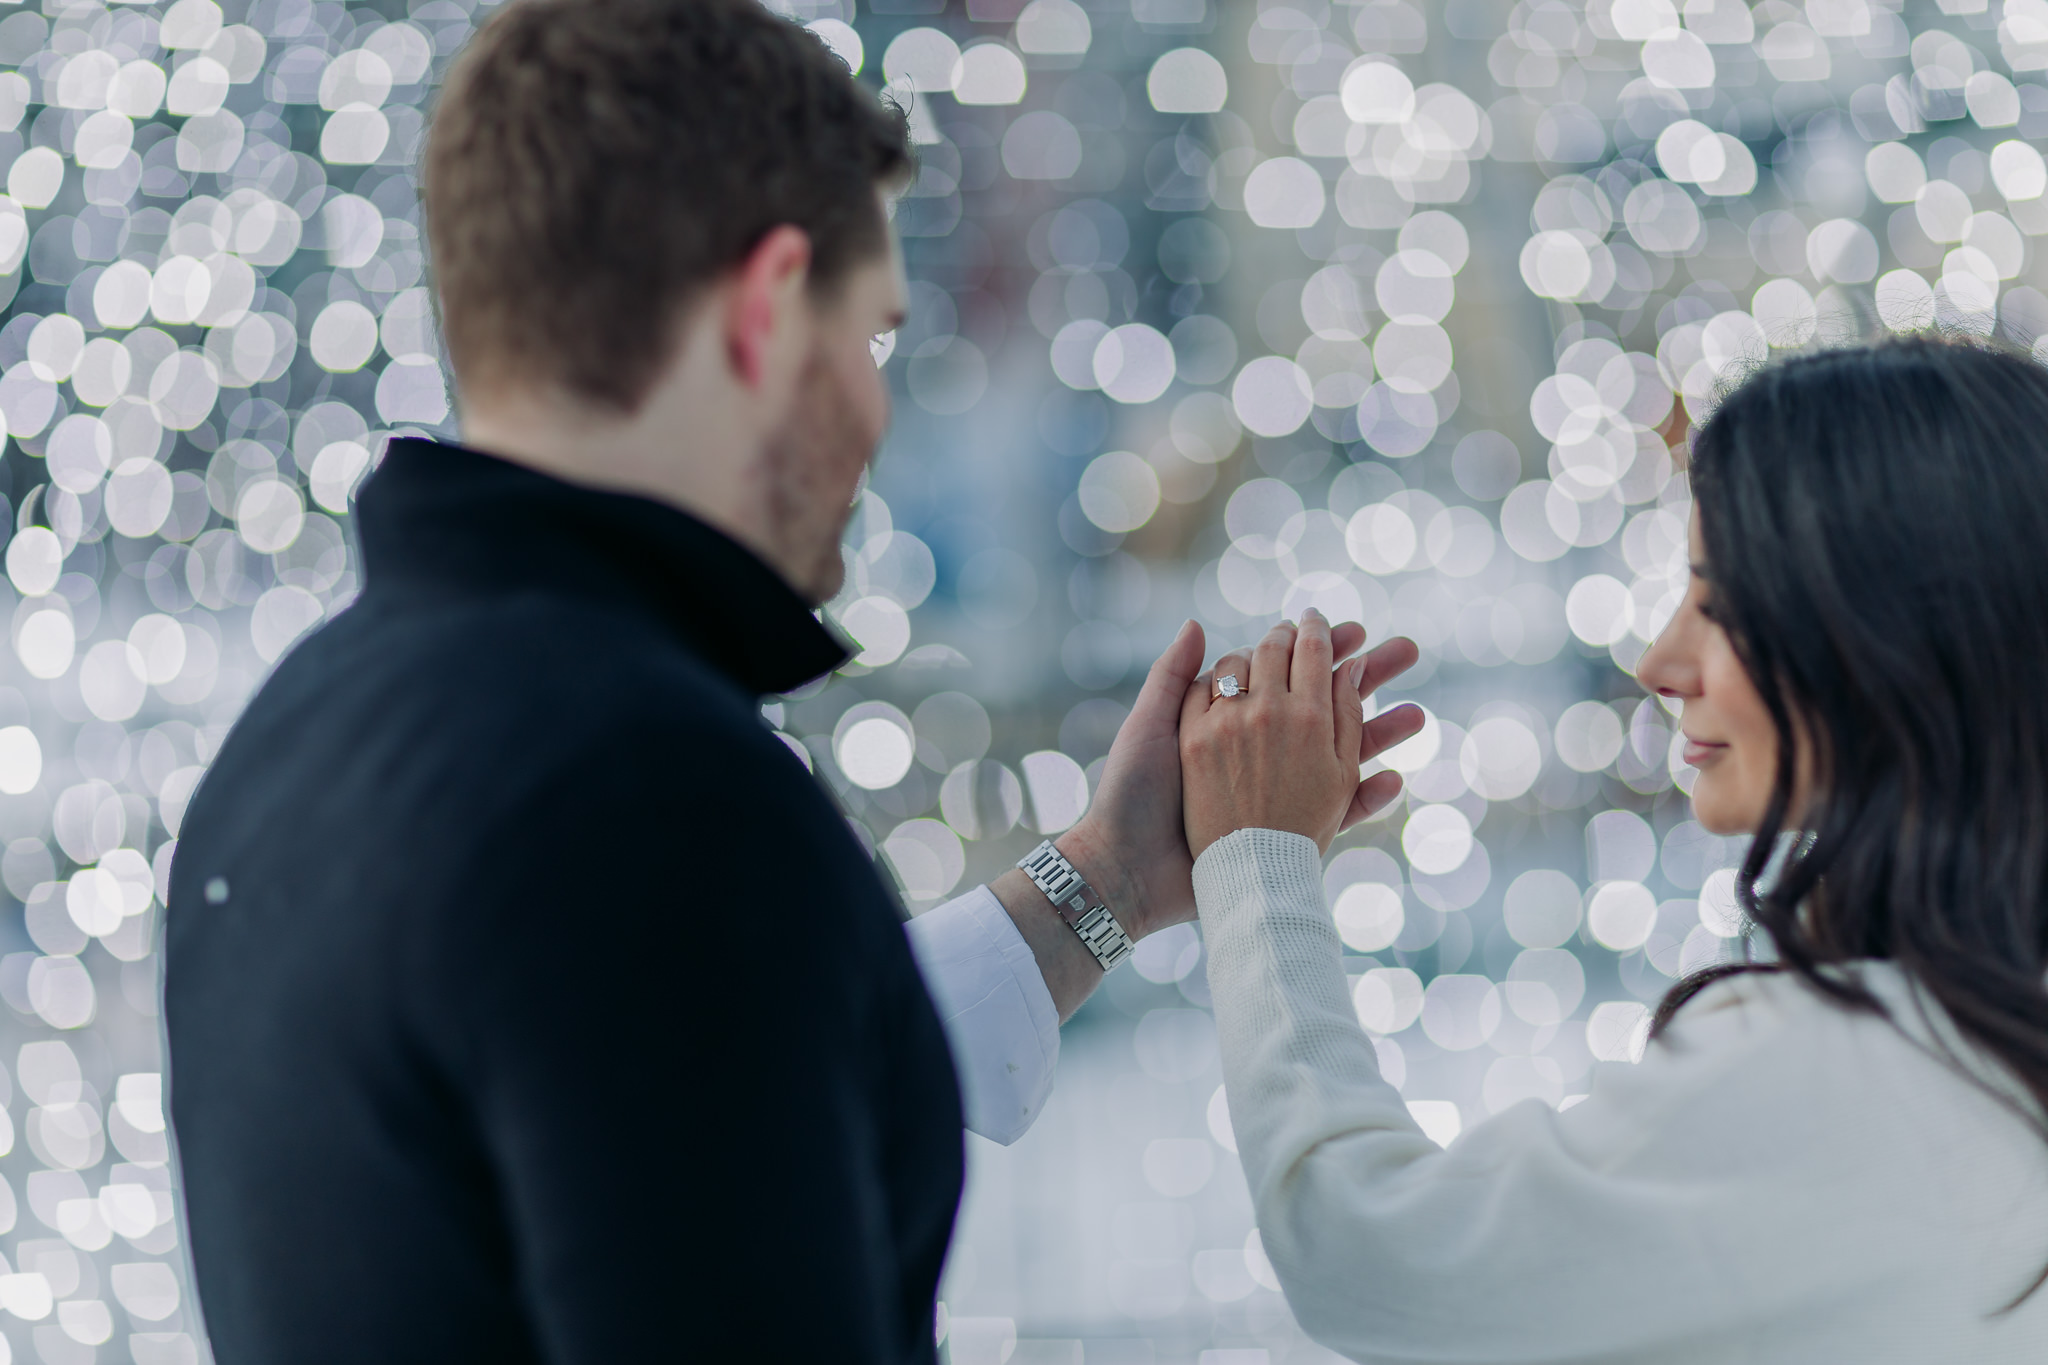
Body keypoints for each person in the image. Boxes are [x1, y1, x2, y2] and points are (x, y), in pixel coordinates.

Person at [162, 1, 1424, 1359]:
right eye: (875, 336)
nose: (879, 412)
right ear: (766, 310)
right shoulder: (653, 791)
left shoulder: (291, 747)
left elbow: (682, 1105)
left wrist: (1107, 879)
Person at [1176, 334, 2048, 1361]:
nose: (1655, 659)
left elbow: (1370, 1252)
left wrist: (1255, 860)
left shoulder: (1844, 1065)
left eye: (1717, 604)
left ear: (1900, 633)